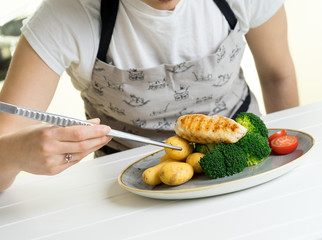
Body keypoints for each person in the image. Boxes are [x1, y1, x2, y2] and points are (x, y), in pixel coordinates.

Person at [0, 0, 299, 191]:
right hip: (128, 187)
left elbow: (278, 76)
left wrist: (284, 162)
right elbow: (5, 139)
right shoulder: (65, 15)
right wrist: (14, 154)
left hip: (246, 165)